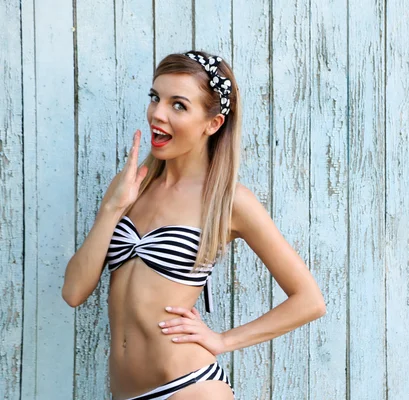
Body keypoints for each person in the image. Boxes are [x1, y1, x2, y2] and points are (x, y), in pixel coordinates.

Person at [62, 50, 326, 400]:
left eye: (178, 105)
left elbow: (309, 301)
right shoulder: (128, 186)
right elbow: (73, 292)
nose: (158, 113)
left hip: (189, 388)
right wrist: (113, 208)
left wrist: (223, 341)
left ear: (212, 124)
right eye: (156, 98)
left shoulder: (228, 201)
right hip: (125, 392)